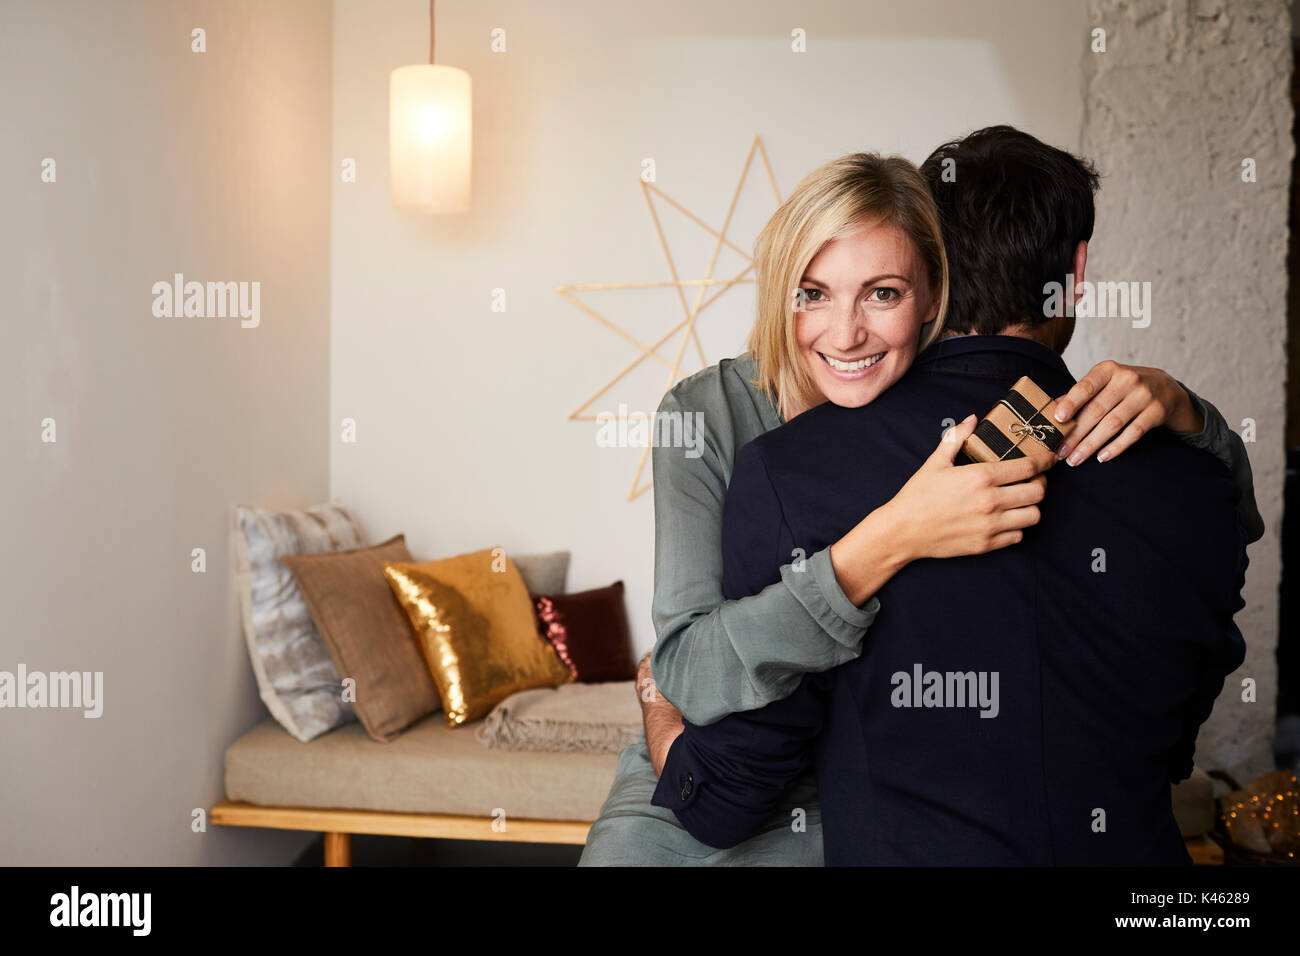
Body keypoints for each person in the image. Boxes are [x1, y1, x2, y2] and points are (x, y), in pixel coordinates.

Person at [578, 132, 1262, 867]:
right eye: (813, 293)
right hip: (733, 759)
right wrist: (889, 538)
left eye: (882, 293)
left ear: (934, 288)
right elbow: (691, 678)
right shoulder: (715, 418)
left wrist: (1186, 410)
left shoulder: (976, 416)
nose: (847, 332)